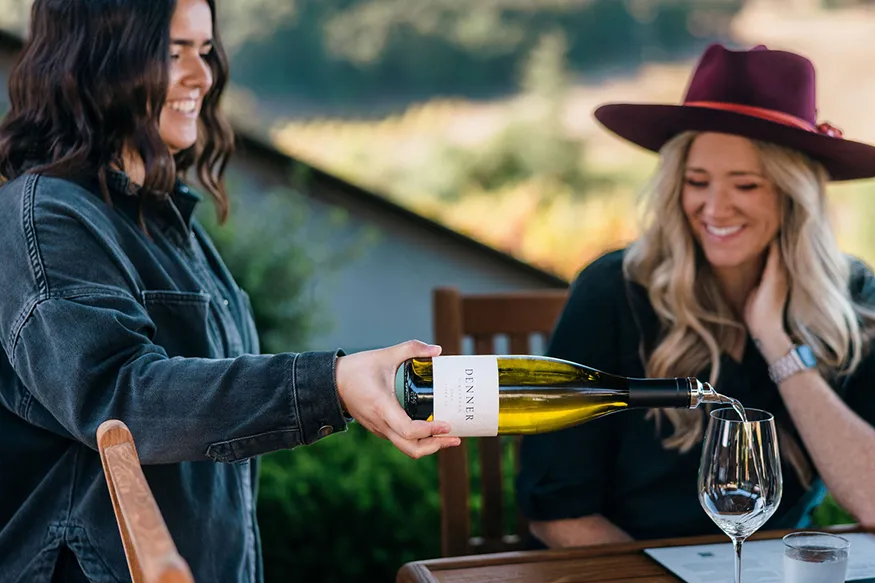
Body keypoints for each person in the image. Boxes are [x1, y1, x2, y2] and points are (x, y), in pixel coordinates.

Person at [0, 1, 459, 581]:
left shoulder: (163, 222)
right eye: (173, 53)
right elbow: (121, 399)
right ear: (94, 59)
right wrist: (333, 382)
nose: (202, 75)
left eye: (205, 50)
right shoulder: (45, 217)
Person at [516, 43, 875, 548]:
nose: (715, 207)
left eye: (745, 185)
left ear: (794, 195)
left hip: (773, 571)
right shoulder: (614, 291)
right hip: (621, 568)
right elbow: (559, 512)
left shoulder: (851, 295)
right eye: (697, 181)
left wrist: (777, 343)